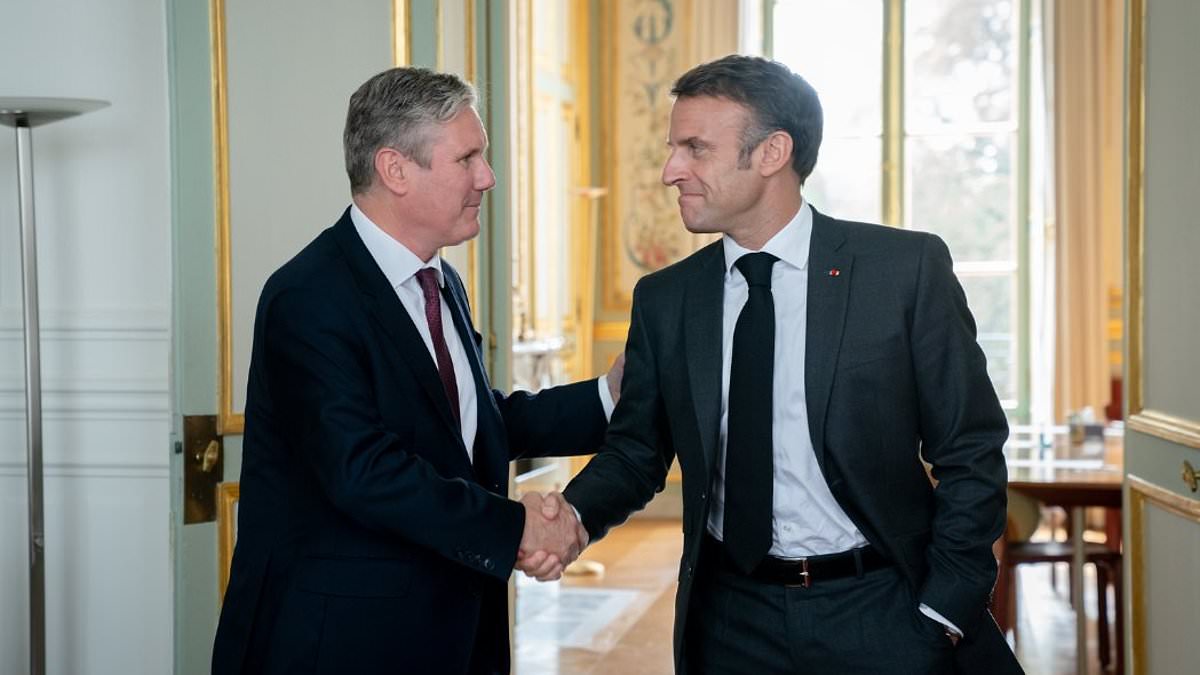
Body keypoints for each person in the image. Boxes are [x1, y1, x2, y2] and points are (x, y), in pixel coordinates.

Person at [544, 55, 1022, 674]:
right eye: (673, 149)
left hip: (882, 611)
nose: (670, 171)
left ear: (772, 153)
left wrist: (943, 611)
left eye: (695, 149)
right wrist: (573, 516)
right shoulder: (666, 299)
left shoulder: (902, 272)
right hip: (729, 624)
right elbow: (637, 452)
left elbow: (970, 448)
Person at [210, 66, 611, 675]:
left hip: (452, 633)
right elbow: (363, 469)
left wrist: (610, 395)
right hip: (343, 646)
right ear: (395, 169)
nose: (487, 177)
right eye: (467, 159)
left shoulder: (441, 281)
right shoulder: (308, 295)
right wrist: (516, 528)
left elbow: (470, 425)